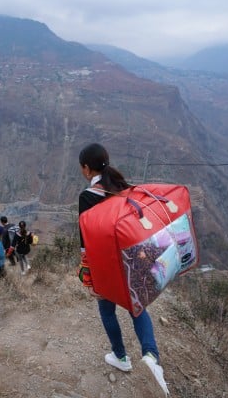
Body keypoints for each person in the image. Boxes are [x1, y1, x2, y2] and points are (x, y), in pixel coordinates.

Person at [77, 143, 169, 396]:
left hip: (107, 267)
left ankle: (121, 357)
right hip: (134, 262)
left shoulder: (88, 196)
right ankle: (151, 357)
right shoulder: (122, 188)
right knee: (137, 308)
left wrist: (89, 279)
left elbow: (86, 243)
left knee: (107, 310)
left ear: (86, 169)